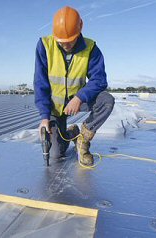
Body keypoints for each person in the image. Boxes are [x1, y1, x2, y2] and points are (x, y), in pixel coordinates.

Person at [34, 6, 115, 166]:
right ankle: (72, 133)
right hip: (55, 107)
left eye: (70, 41)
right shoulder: (44, 45)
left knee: (107, 101)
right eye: (61, 42)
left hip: (79, 101)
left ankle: (83, 141)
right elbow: (40, 83)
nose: (65, 45)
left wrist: (80, 97)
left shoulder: (91, 48)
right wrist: (44, 117)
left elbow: (99, 80)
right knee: (56, 154)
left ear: (80, 29)